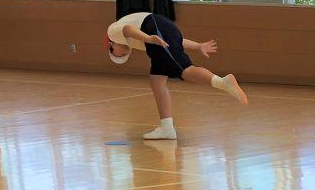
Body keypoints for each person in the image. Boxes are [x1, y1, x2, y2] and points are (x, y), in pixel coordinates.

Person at [103, 11, 246, 140]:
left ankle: (223, 82)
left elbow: (128, 29)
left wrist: (149, 38)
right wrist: (197, 46)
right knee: (156, 80)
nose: (123, 55)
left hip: (152, 26)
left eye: (117, 55)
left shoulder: (112, 33)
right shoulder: (135, 40)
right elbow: (174, 41)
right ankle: (167, 128)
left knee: (184, 70)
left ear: (111, 45)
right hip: (160, 27)